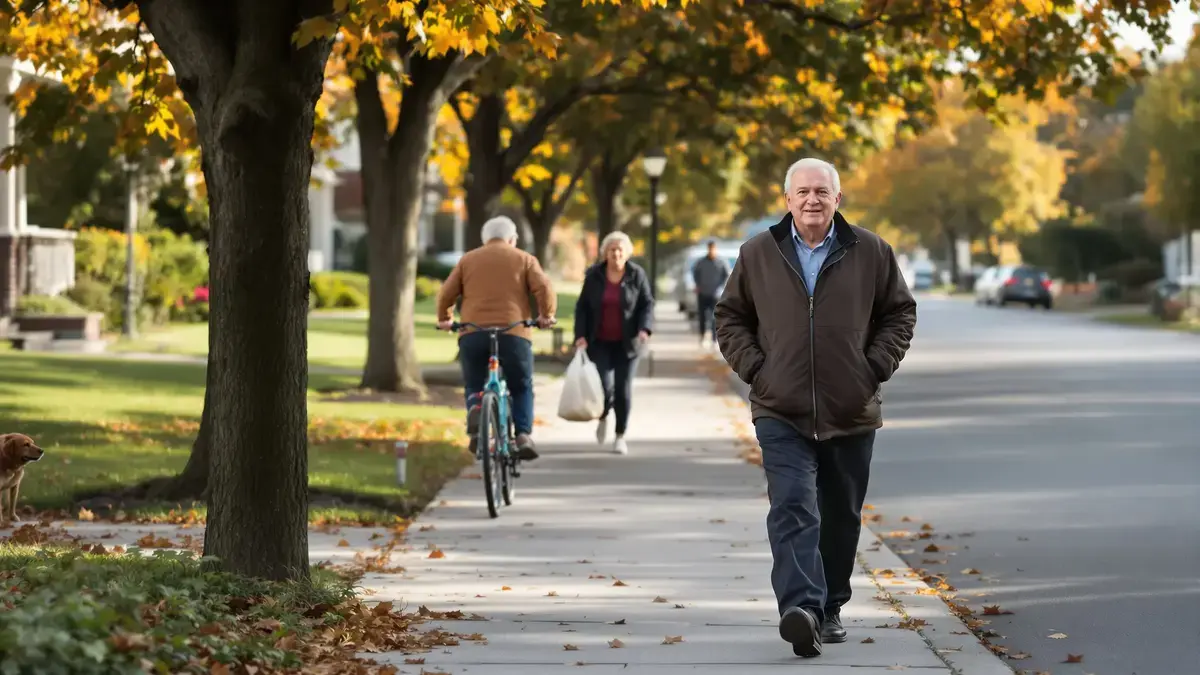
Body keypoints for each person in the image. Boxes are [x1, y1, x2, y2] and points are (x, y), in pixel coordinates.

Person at [714, 157, 917, 658]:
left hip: (850, 408)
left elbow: (900, 312)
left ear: (837, 199)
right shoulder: (758, 253)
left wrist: (872, 368)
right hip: (779, 407)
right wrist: (758, 370)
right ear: (787, 200)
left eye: (821, 192)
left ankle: (830, 608)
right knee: (792, 505)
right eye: (802, 192)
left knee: (840, 515)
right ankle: (802, 609)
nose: (812, 200)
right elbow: (729, 317)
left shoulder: (870, 251)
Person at [436, 216, 556, 461]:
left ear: (485, 239)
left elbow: (446, 292)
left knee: (474, 382)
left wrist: (445, 318)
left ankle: (476, 411)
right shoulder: (524, 259)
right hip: (513, 333)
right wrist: (546, 316)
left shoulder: (468, 260)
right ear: (512, 239)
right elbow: (544, 287)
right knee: (521, 385)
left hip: (473, 331)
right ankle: (522, 435)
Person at [573, 231, 654, 456]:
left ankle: (620, 435)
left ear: (627, 253)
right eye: (612, 249)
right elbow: (582, 308)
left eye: (620, 250)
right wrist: (580, 335)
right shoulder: (594, 276)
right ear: (605, 253)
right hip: (599, 342)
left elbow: (647, 303)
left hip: (629, 344)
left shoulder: (636, 275)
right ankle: (603, 416)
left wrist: (644, 328)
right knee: (603, 387)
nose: (616, 253)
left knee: (623, 390)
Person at [691, 240, 730, 348]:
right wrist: (698, 284)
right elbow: (695, 273)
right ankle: (702, 336)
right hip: (703, 293)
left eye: (713, 248)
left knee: (714, 317)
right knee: (703, 317)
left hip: (715, 294)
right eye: (710, 248)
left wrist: (721, 287)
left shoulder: (721, 262)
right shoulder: (701, 262)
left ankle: (714, 339)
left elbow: (726, 275)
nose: (711, 250)